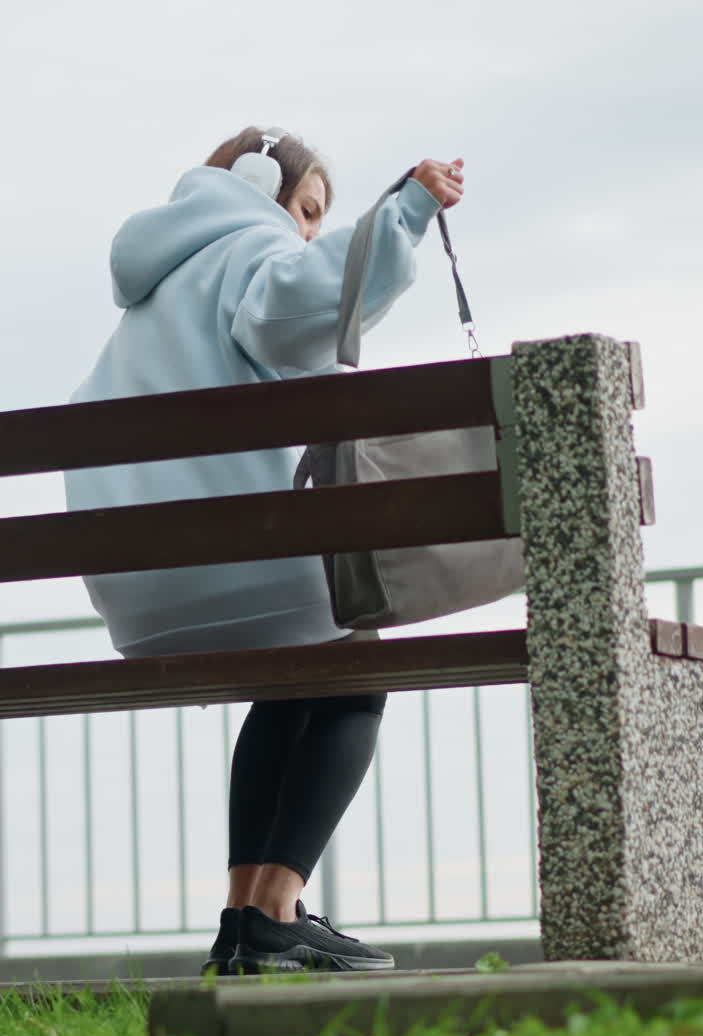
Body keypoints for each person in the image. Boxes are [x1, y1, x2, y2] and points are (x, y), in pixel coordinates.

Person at [64, 126, 465, 975]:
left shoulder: (147, 301)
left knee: (293, 688)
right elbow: (302, 310)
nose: (311, 231)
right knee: (359, 676)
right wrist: (405, 213)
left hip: (143, 592)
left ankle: (247, 917)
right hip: (240, 568)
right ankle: (279, 907)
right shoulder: (245, 250)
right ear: (258, 188)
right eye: (309, 210)